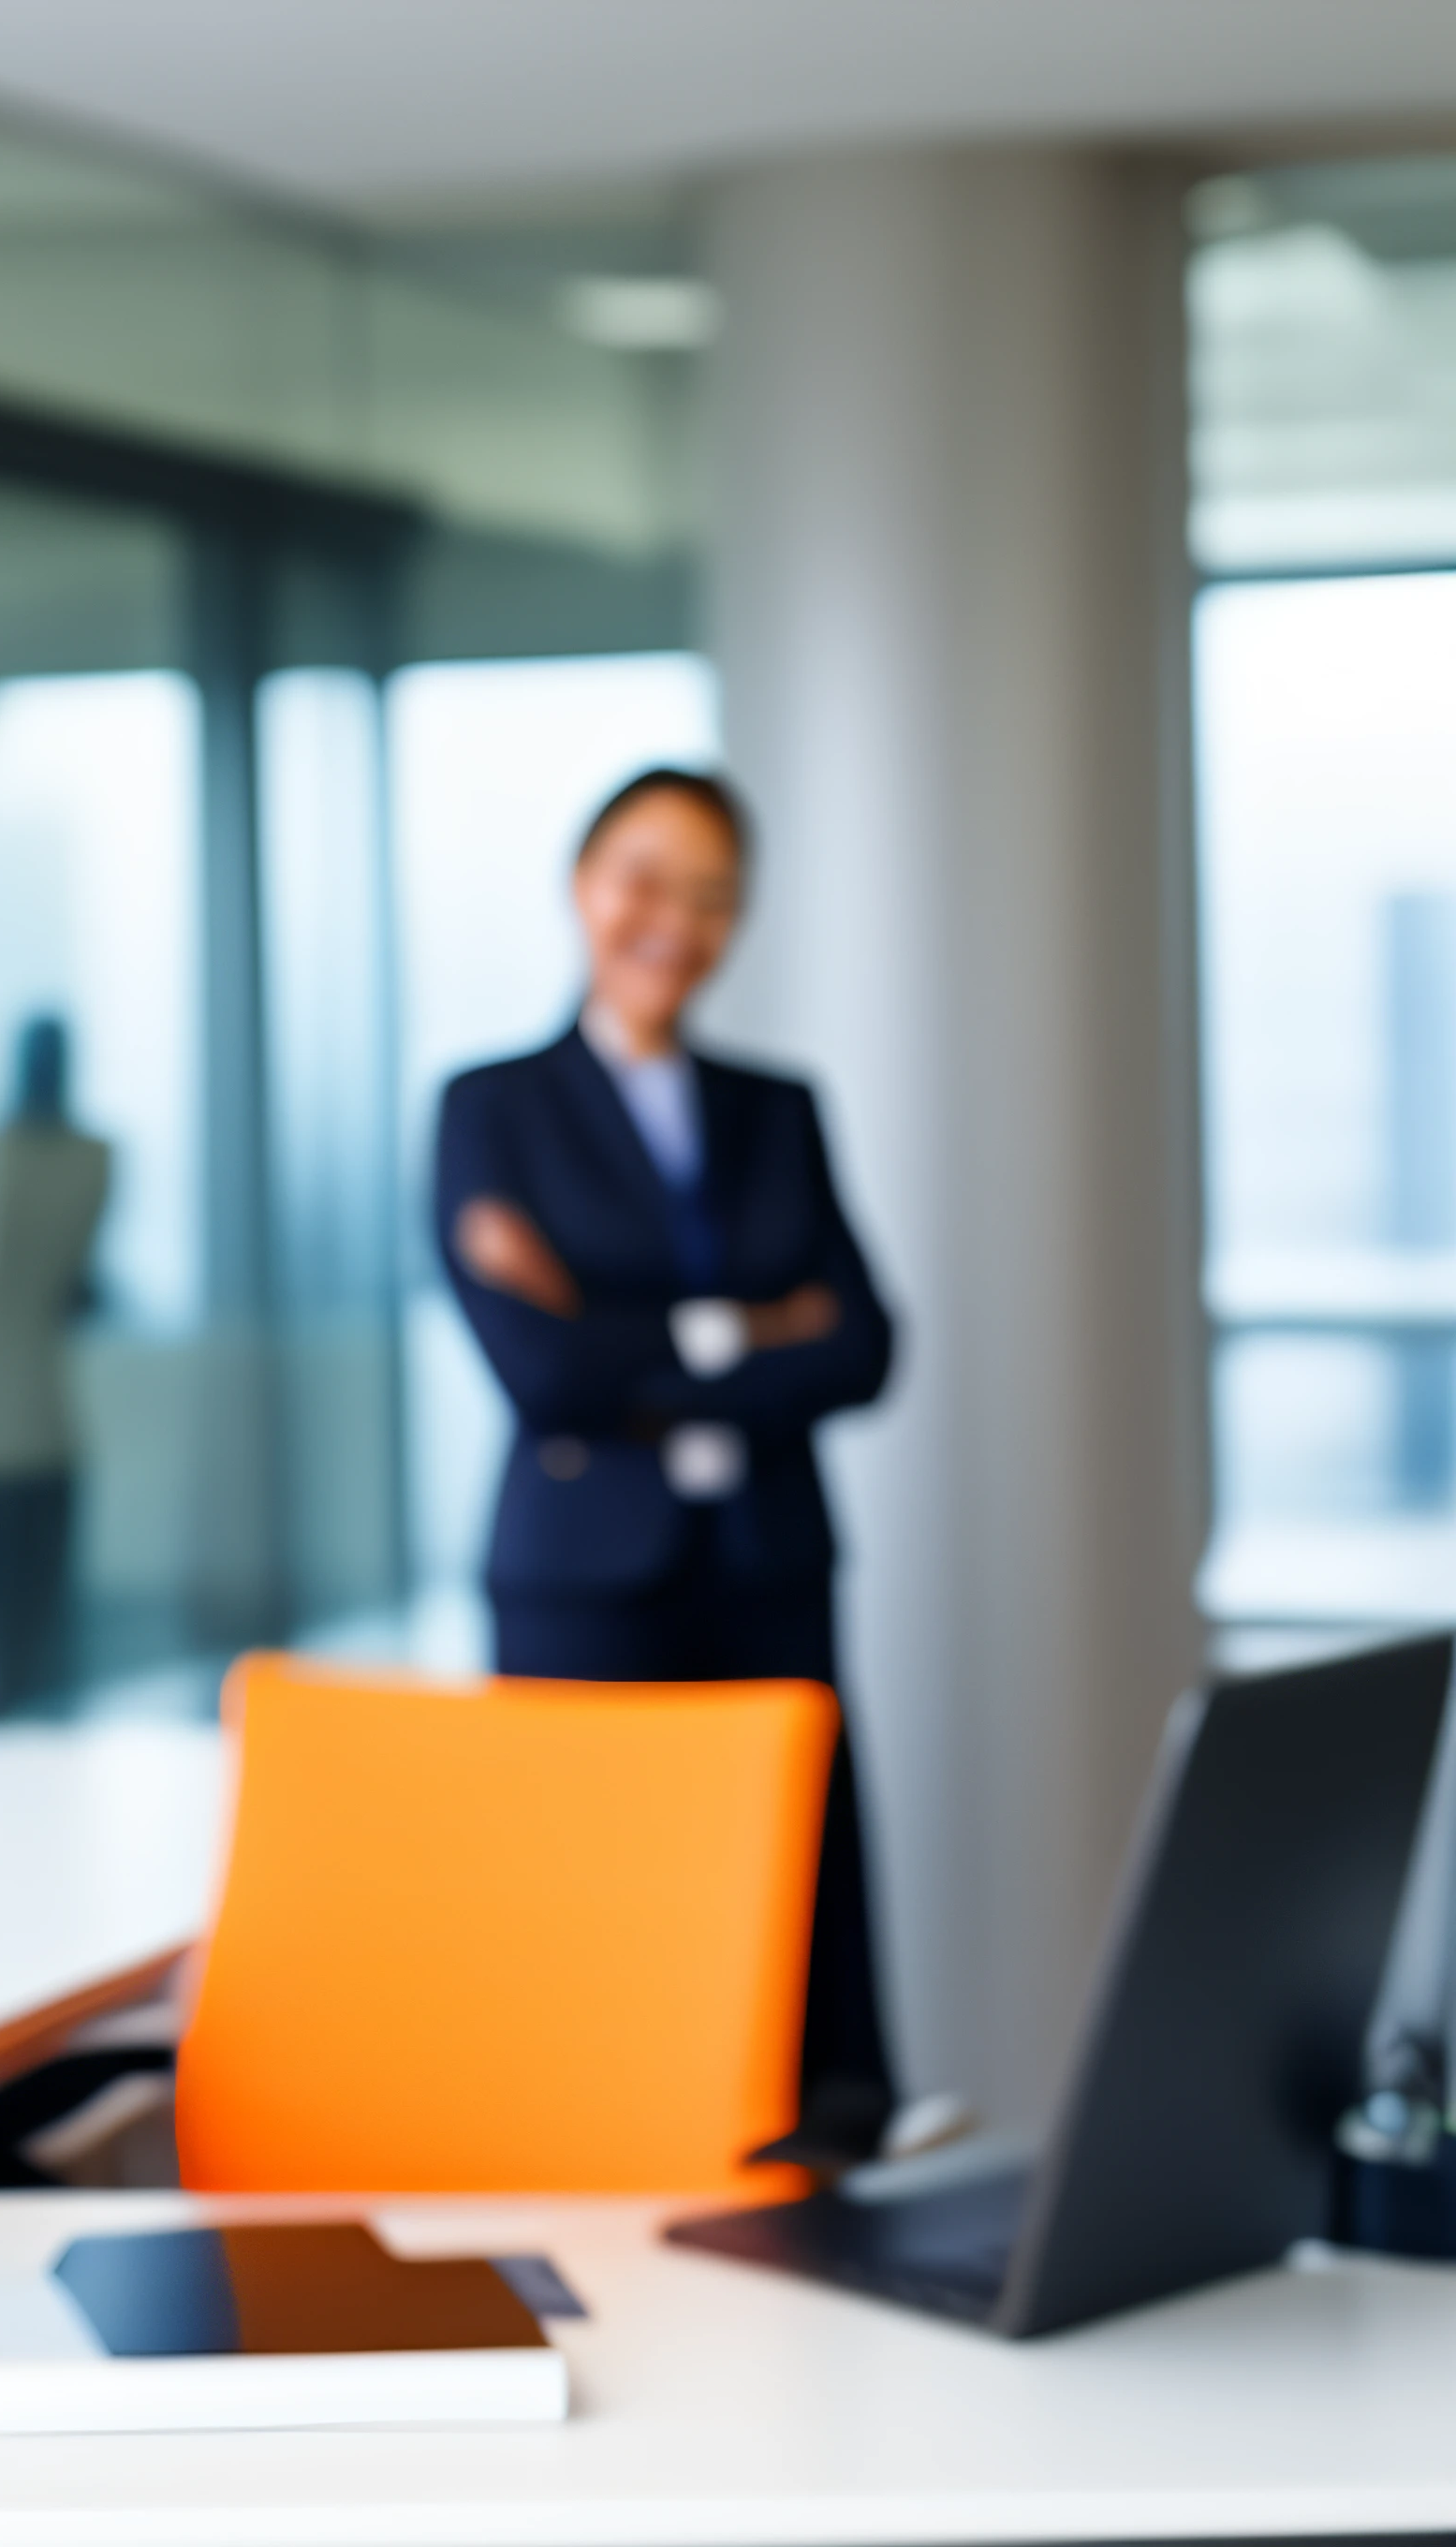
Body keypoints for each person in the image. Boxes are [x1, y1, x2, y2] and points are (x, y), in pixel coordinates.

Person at [433, 766, 902, 2163]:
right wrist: (755, 1328)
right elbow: (542, 1373)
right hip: (584, 1579)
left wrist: (619, 1320)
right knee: (592, 1916)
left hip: (768, 1564)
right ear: (583, 887)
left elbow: (866, 1347)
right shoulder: (492, 1107)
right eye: (645, 880)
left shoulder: (779, 1107)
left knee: (797, 1906)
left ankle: (820, 2184)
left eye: (710, 896)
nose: (671, 921)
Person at [0, 1014, 111, 1716]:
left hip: (21, 1414)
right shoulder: (77, 1159)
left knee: (28, 1614)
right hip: (14, 1416)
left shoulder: (4, 1158)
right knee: (14, 1616)